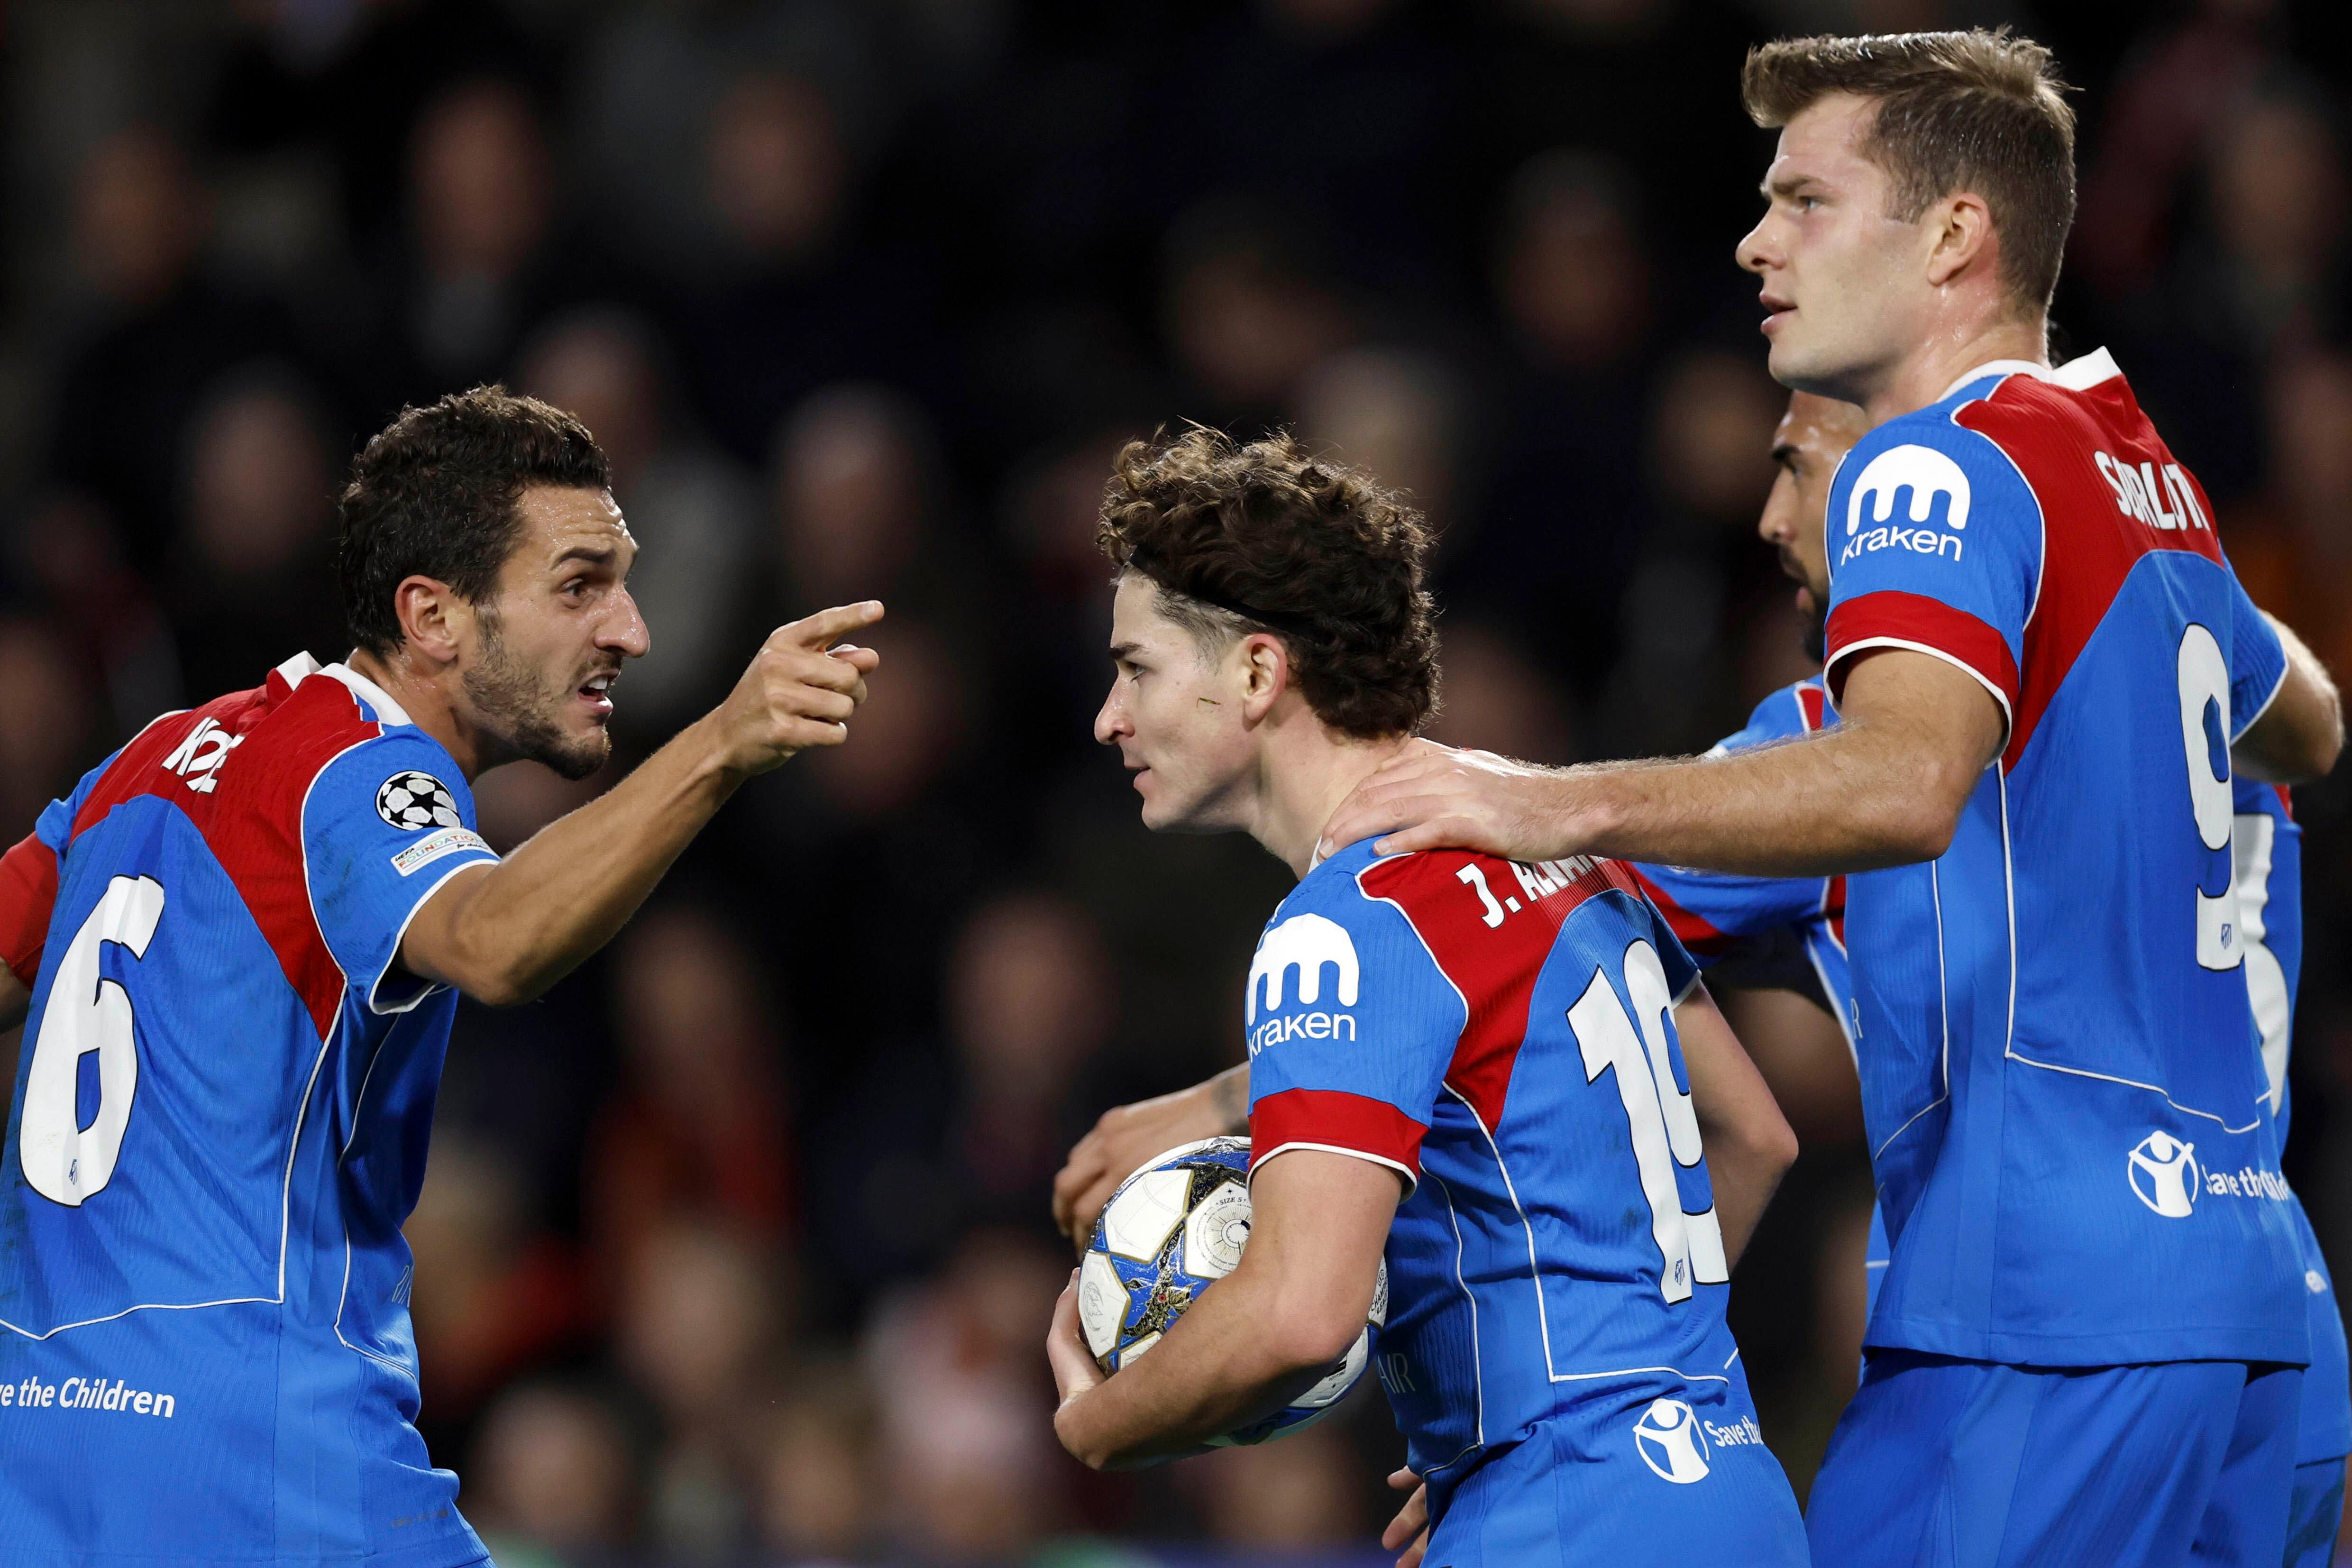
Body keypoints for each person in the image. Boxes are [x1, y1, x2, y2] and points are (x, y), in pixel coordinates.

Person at [1320, 32, 2346, 1565]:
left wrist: (1549, 800)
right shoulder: (2141, 479)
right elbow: (2313, 724)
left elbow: (1902, 780)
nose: (1754, 239)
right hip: (2264, 1310)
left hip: (2041, 1312)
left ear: (1951, 235)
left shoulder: (1933, 464)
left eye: (1803, 198)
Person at [0, 386, 882, 1566]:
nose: (631, 629)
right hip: (258, 1448)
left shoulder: (144, 763)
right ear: (434, 617)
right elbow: (494, 938)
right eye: (579, 585)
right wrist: (722, 744)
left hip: (41, 1448)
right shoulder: (357, 774)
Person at [1041, 428, 1809, 1567]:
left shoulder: (1344, 924)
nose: (1110, 715)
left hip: (1568, 1520)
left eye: (1137, 666)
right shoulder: (1540, 824)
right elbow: (1752, 1134)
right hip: (1731, 1492)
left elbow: (1301, 1313)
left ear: (1258, 672)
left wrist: (1091, 1422)